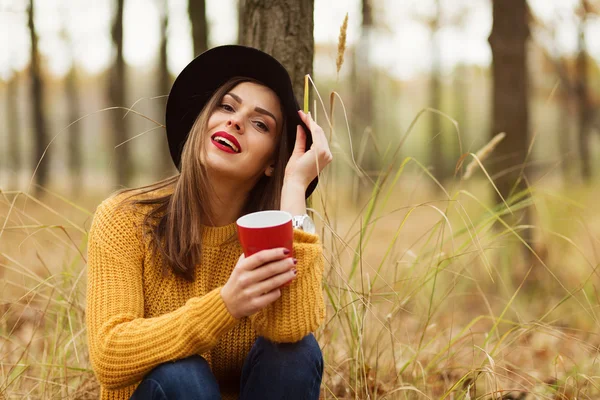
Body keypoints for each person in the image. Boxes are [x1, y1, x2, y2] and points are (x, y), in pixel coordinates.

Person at [85, 45, 333, 400]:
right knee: (184, 373)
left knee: (295, 351)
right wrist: (226, 304)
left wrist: (294, 185)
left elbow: (293, 333)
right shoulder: (125, 219)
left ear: (271, 163)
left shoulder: (263, 235)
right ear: (204, 121)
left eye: (260, 123)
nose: (236, 121)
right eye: (227, 106)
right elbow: (109, 354)